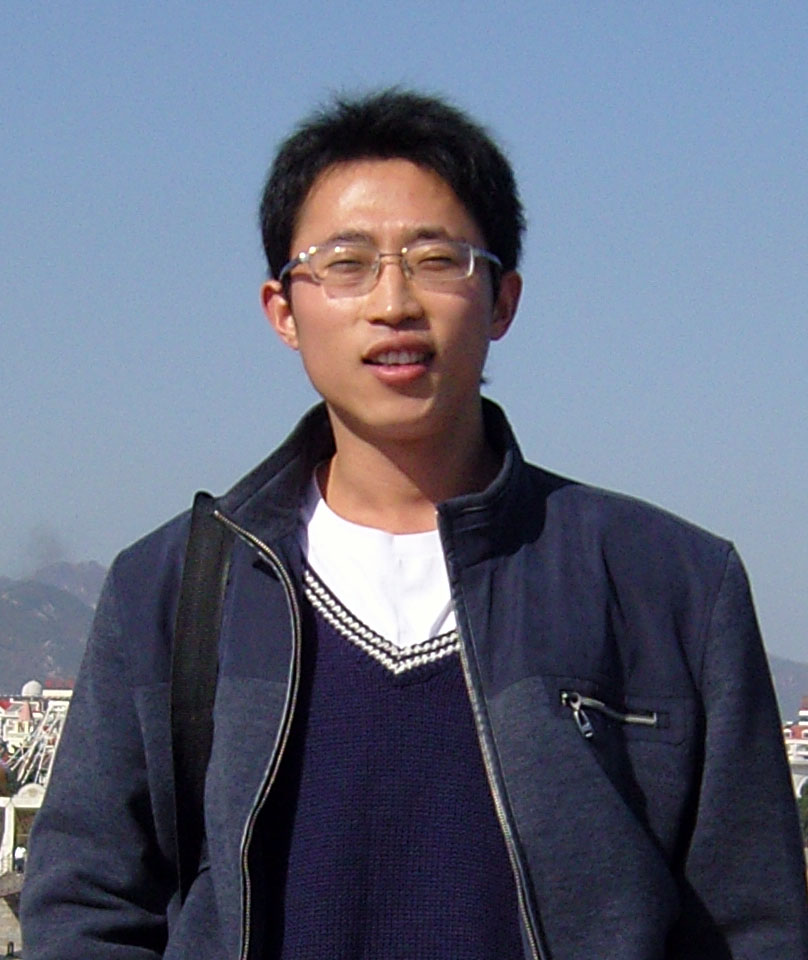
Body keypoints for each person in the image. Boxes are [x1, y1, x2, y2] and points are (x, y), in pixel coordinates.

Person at [20, 89, 808, 959]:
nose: (393, 301)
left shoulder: (672, 586)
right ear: (283, 311)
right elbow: (88, 902)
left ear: (502, 300)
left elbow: (752, 925)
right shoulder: (175, 590)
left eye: (437, 260)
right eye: (346, 263)